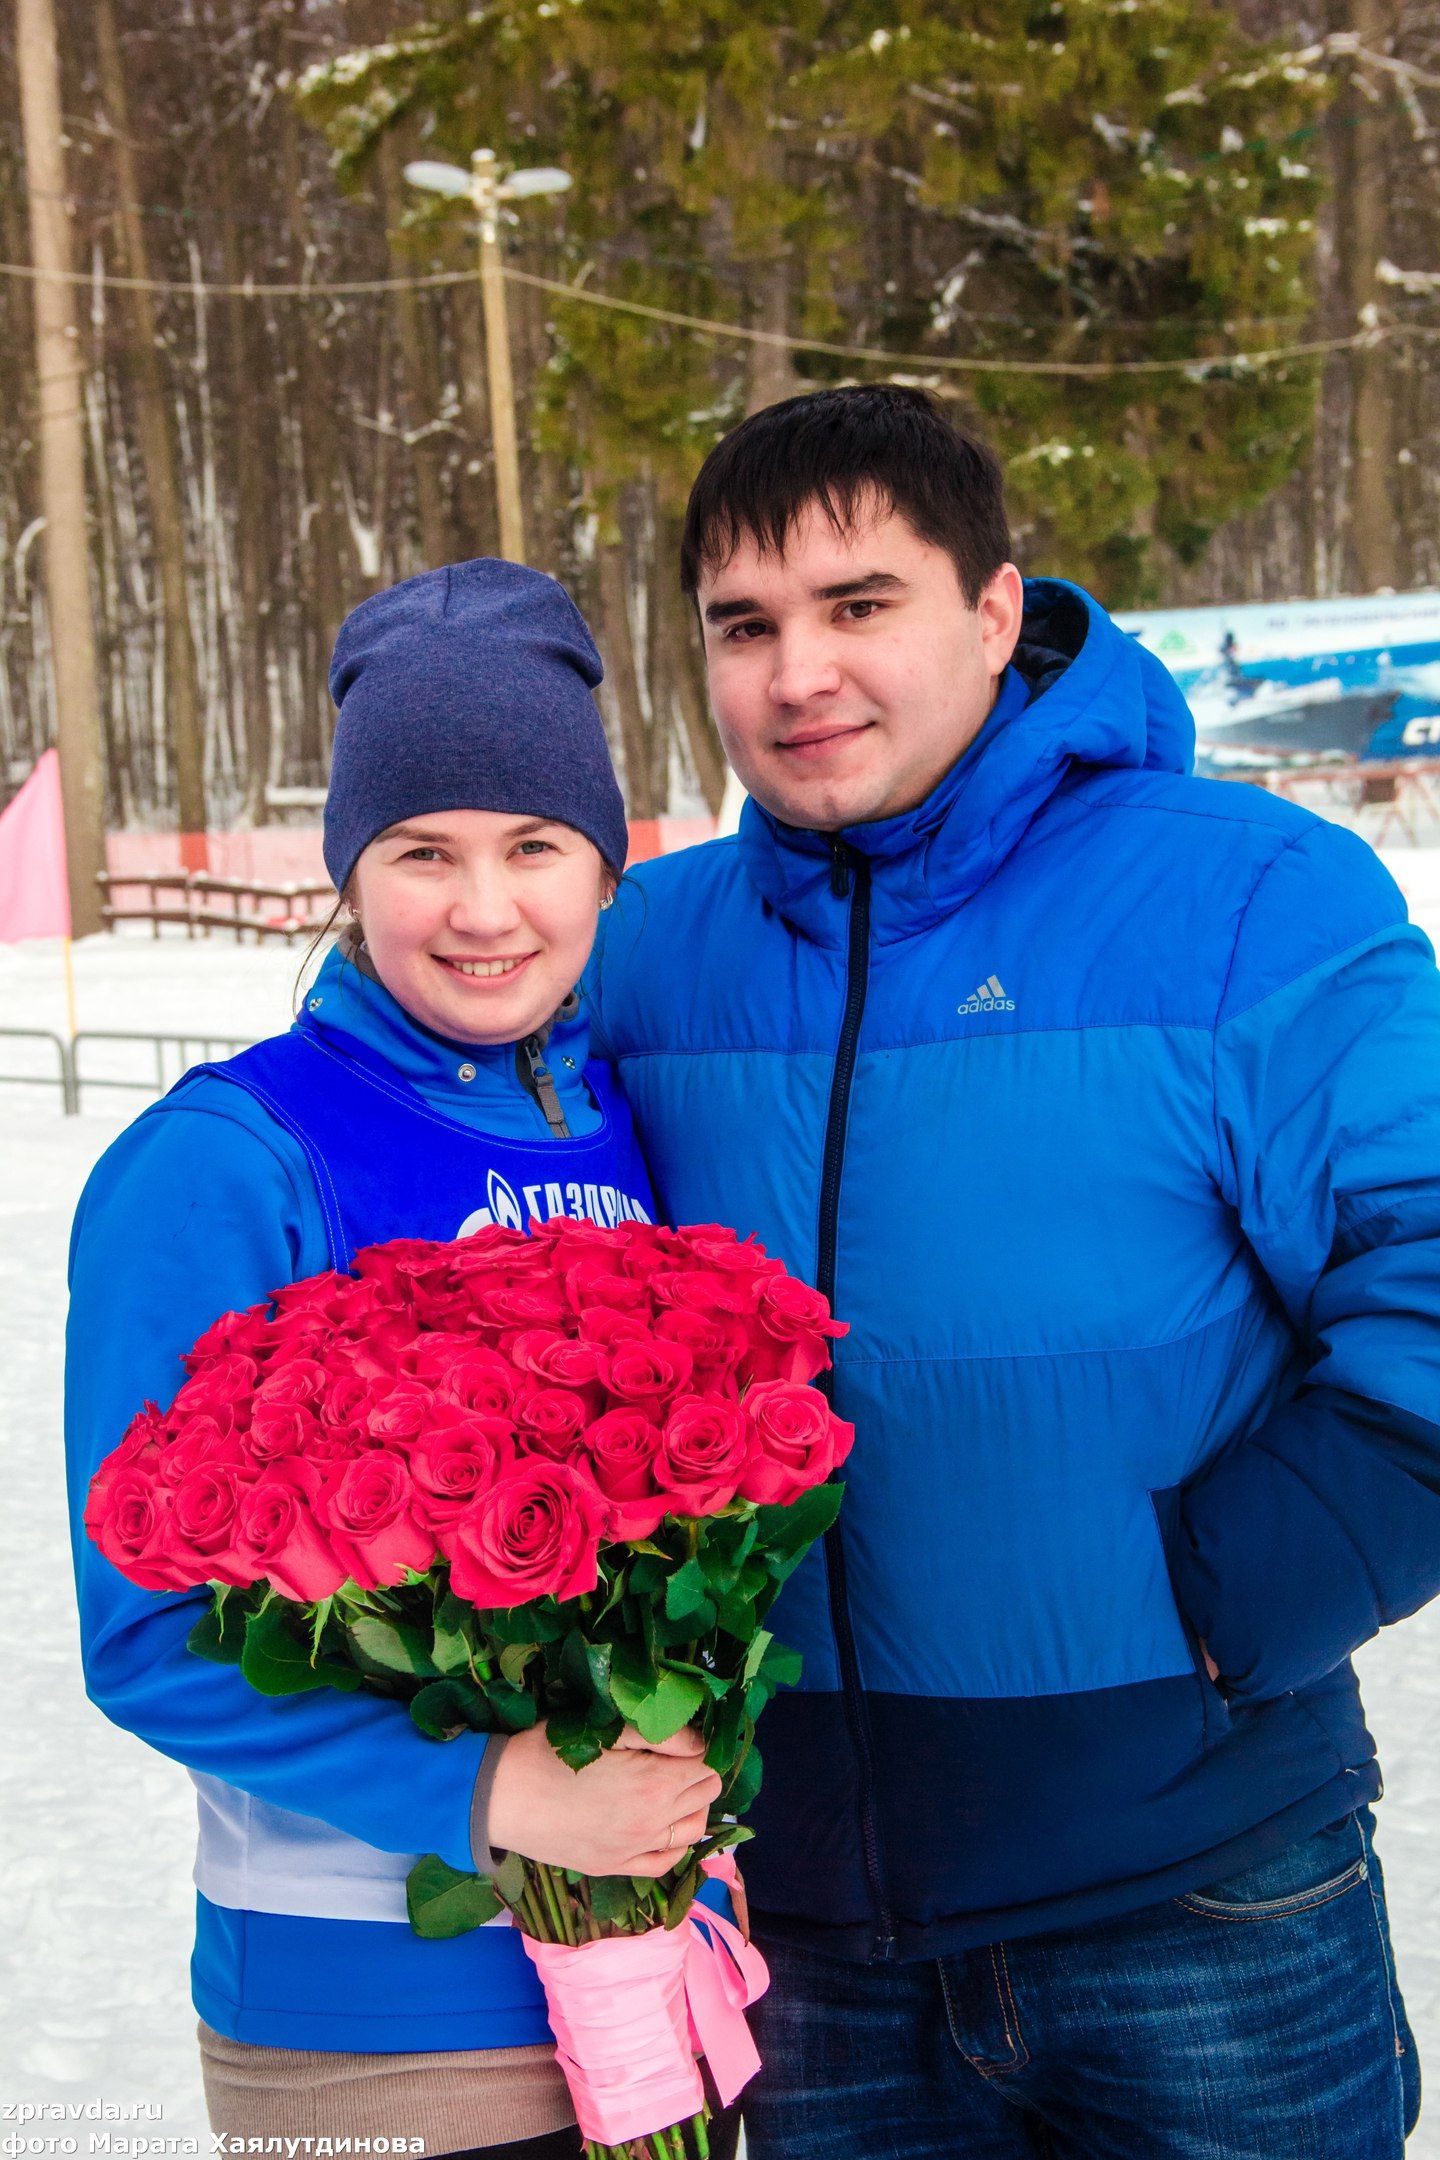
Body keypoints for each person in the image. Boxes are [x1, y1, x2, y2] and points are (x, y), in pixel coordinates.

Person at [584, 385, 1440, 2157]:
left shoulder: (1250, 897)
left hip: (1199, 1894)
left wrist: (1234, 1601)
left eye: (859, 605)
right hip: (806, 1933)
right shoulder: (645, 954)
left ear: (994, 610)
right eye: (745, 627)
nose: (798, 674)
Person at [65, 561, 738, 2160]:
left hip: (662, 1981)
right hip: (381, 2027)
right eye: (422, 852)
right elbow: (145, 1636)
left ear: (607, 863)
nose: (484, 908)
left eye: (535, 848)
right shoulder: (230, 1161)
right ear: (348, 871)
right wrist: (494, 1796)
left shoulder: (617, 1117)